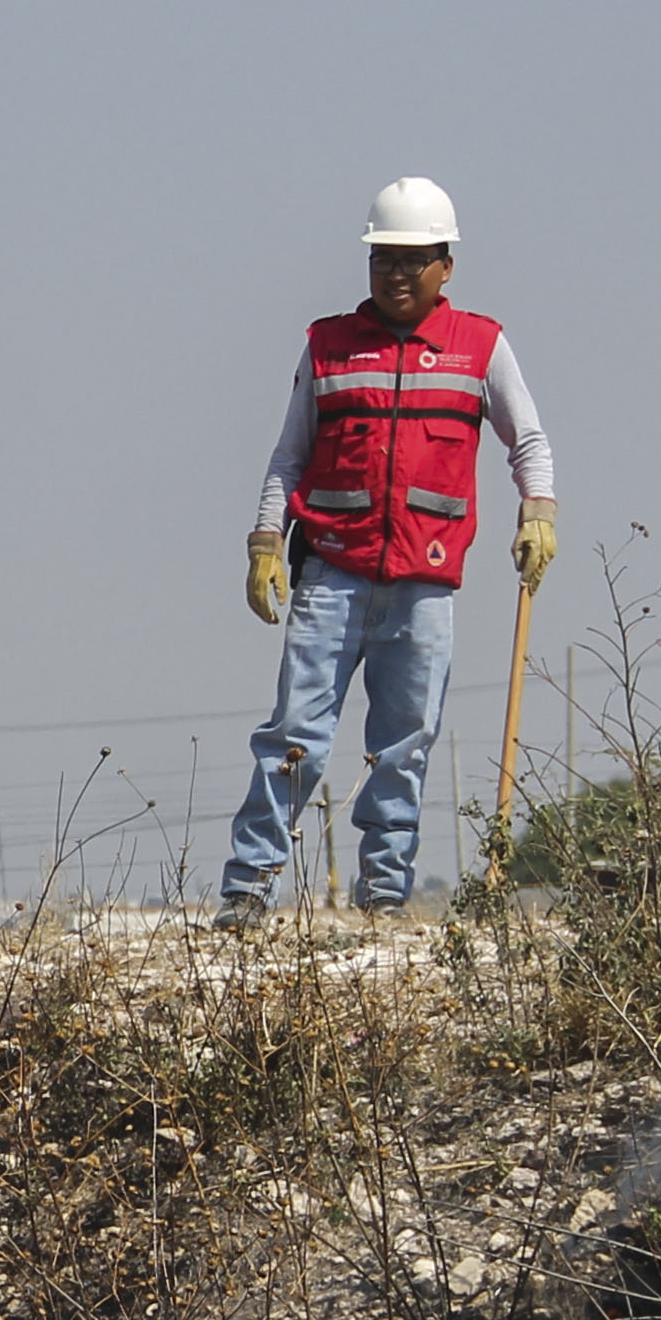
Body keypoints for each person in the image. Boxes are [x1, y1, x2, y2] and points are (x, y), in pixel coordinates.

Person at [218, 176, 557, 923]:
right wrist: (265, 540)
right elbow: (288, 455)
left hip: (424, 585)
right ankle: (247, 888)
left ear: (446, 265)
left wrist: (538, 508)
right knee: (293, 736)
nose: (397, 275)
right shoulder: (327, 345)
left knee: (402, 745)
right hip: (330, 575)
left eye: (414, 260)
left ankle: (382, 896)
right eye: (384, 260)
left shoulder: (481, 346)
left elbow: (526, 439)